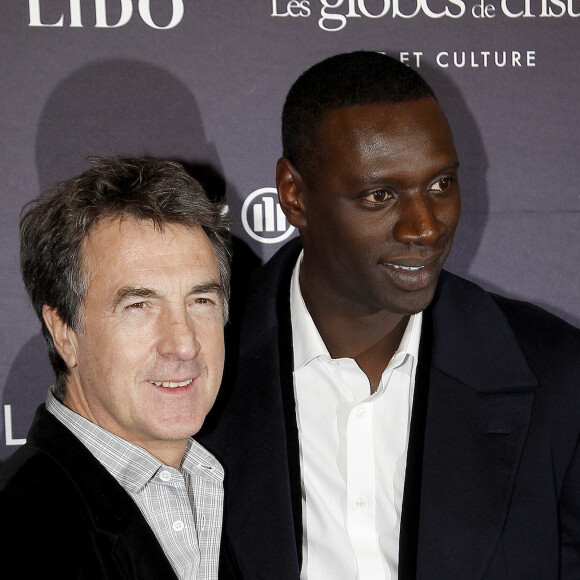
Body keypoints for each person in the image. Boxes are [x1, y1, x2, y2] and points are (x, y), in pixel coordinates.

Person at [198, 52, 580, 579]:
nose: (424, 227)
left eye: (441, 185)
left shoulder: (556, 376)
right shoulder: (198, 371)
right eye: (380, 195)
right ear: (294, 195)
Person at [0, 157, 234, 579]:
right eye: (139, 306)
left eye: (201, 301)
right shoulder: (15, 529)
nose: (183, 343)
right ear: (64, 332)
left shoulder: (226, 492)